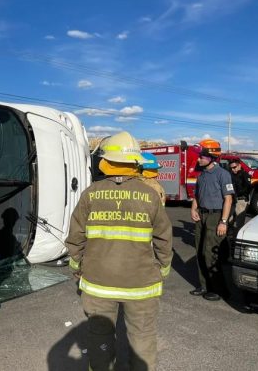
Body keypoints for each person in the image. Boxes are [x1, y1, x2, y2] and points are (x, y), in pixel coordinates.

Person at [66, 131, 172, 371]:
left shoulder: (90, 194)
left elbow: (75, 238)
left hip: (97, 282)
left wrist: (77, 268)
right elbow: (164, 240)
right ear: (135, 162)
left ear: (106, 161)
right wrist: (163, 270)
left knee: (99, 338)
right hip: (142, 284)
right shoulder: (150, 195)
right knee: (142, 338)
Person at [190, 147, 234, 301]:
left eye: (202, 157)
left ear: (210, 158)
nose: (199, 159)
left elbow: (228, 199)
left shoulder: (223, 174)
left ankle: (218, 289)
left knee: (211, 253)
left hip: (216, 216)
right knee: (200, 251)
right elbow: (197, 195)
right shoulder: (201, 175)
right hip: (201, 215)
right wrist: (193, 209)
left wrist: (223, 222)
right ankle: (204, 286)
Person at [228, 158, 251, 234]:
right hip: (232, 200)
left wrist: (237, 193)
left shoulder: (245, 174)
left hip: (241, 200)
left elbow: (247, 188)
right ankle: (229, 235)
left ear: (239, 166)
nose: (233, 169)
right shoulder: (230, 175)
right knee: (229, 219)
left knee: (239, 222)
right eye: (231, 168)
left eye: (234, 167)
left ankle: (238, 239)